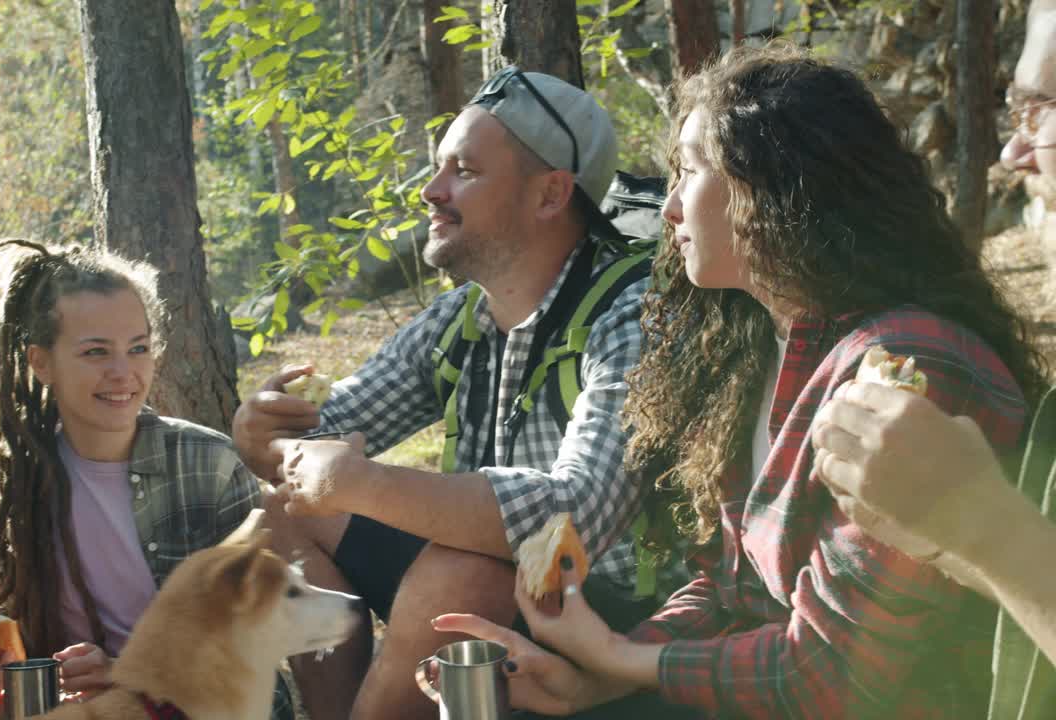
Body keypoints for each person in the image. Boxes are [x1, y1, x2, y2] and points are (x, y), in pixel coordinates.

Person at [435, 43, 1050, 718]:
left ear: (773, 187)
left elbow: (832, 679)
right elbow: (729, 586)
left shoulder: (905, 368)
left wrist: (620, 659)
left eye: (690, 171)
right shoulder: (758, 348)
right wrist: (603, 672)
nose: (668, 209)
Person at [232, 68, 654, 720]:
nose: (431, 191)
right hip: (498, 602)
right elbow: (325, 427)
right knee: (286, 509)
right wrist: (264, 431)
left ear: (549, 195)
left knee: (464, 573)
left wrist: (362, 483)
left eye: (464, 170)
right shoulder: (465, 317)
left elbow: (578, 514)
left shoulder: (630, 313)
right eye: (438, 169)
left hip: (613, 632)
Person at [0, 240, 268, 720]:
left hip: (184, 702)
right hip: (62, 706)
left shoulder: (211, 465)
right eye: (96, 351)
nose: (123, 373)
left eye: (137, 348)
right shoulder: (14, 479)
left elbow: (254, 643)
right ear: (41, 363)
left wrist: (128, 673)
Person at [812, 2, 1056, 717]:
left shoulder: (917, 343)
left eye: (1039, 108)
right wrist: (945, 538)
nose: (1012, 153)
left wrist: (982, 520)